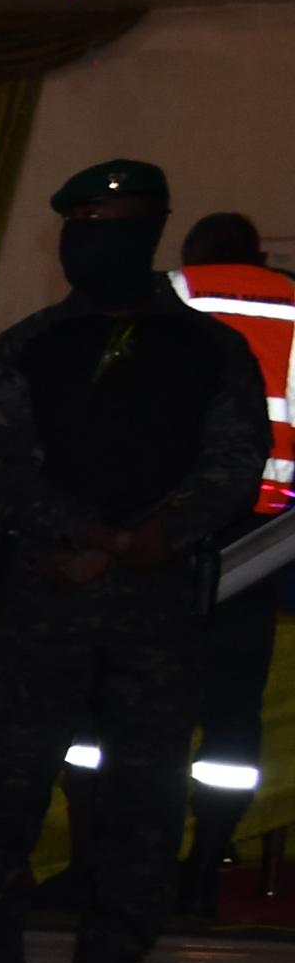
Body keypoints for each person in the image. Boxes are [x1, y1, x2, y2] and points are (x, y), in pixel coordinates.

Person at [0, 159, 264, 963]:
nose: (95, 234)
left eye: (113, 219)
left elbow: (234, 466)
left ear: (153, 227)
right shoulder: (30, 345)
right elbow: (2, 465)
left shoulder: (210, 349)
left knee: (144, 802)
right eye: (82, 218)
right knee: (6, 791)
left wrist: (144, 541)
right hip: (46, 594)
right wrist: (82, 538)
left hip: (155, 605)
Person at [171, 210, 295, 912]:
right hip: (262, 532)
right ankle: (208, 861)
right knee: (232, 709)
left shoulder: (170, 292)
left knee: (142, 698)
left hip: (169, 528)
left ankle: (129, 856)